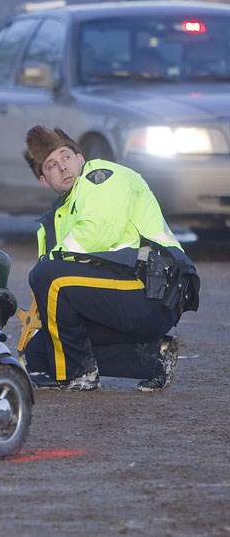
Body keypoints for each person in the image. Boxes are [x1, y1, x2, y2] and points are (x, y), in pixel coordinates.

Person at [19, 126, 199, 392]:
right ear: (44, 180)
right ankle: (153, 359)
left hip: (152, 289)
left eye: (66, 157)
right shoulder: (57, 216)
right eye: (52, 165)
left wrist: (46, 272)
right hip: (119, 297)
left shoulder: (102, 177)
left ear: (80, 158)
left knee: (46, 276)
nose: (63, 168)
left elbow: (96, 233)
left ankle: (79, 374)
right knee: (38, 353)